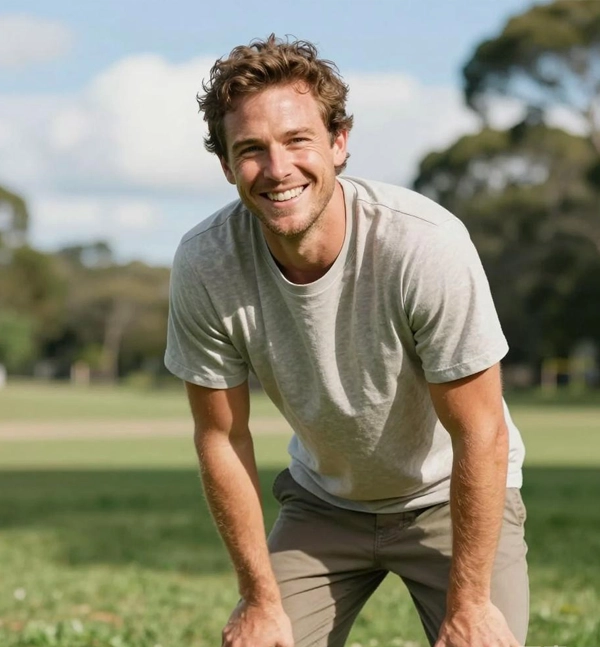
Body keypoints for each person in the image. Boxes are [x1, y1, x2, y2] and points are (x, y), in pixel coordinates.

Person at [165, 35, 528, 647]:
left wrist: (469, 605)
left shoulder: (422, 244)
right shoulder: (206, 262)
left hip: (451, 496)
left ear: (338, 142)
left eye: (297, 140)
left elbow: (481, 431)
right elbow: (222, 436)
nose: (277, 169)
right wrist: (259, 598)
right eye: (250, 149)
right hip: (324, 504)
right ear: (226, 167)